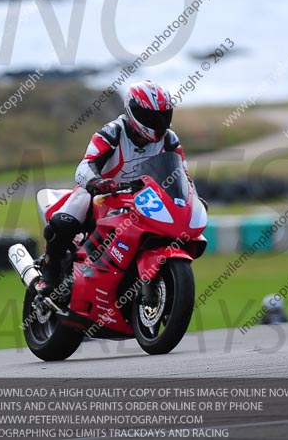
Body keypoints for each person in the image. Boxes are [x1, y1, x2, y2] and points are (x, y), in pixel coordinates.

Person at [37, 80, 193, 297]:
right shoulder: (113, 132)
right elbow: (86, 165)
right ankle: (50, 273)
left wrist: (192, 198)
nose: (158, 122)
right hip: (103, 195)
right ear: (132, 111)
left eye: (163, 115)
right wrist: (96, 183)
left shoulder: (169, 139)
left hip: (141, 200)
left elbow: (183, 174)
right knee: (64, 221)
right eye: (150, 116)